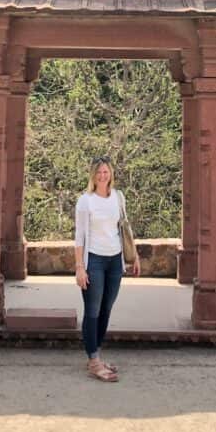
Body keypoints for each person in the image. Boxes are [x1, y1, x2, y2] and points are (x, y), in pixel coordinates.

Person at [74, 156, 140, 382]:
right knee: (92, 311)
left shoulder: (118, 197)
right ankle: (94, 361)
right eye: (99, 172)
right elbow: (79, 237)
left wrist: (134, 256)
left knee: (106, 308)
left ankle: (97, 354)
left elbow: (124, 228)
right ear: (93, 175)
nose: (103, 176)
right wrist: (79, 267)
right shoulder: (86, 201)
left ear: (111, 173)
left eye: (106, 172)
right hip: (93, 260)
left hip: (115, 260)